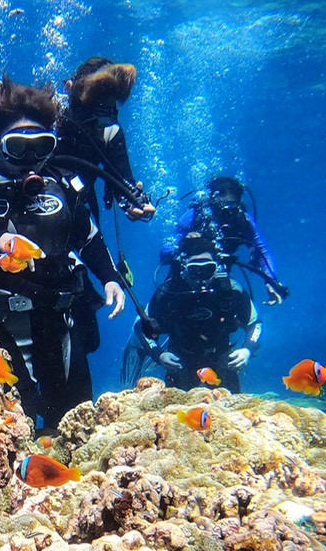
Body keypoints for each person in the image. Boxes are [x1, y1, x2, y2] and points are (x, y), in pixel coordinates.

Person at [0, 78, 127, 427]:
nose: (31, 160)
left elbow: (88, 237)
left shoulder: (62, 183)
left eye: (41, 147)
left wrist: (110, 278)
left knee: (74, 425)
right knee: (3, 428)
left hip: (60, 323)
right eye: (18, 147)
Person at [123, 229, 261, 391]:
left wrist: (247, 350)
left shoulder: (231, 290)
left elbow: (255, 324)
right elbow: (141, 327)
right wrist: (159, 354)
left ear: (216, 268)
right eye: (195, 270)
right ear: (184, 268)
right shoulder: (167, 294)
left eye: (208, 269)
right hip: (180, 363)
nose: (202, 279)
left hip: (222, 360)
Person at [56, 57, 156, 223]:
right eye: (90, 110)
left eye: (104, 115)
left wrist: (133, 202)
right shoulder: (50, 118)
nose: (96, 122)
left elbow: (122, 180)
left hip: (74, 210)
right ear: (69, 89)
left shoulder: (109, 133)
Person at [166, 176, 288, 306]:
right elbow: (165, 252)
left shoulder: (244, 222)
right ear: (211, 196)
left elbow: (262, 251)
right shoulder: (194, 217)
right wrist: (183, 245)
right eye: (222, 193)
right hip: (185, 279)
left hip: (218, 278)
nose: (228, 198)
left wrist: (270, 281)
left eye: (233, 193)